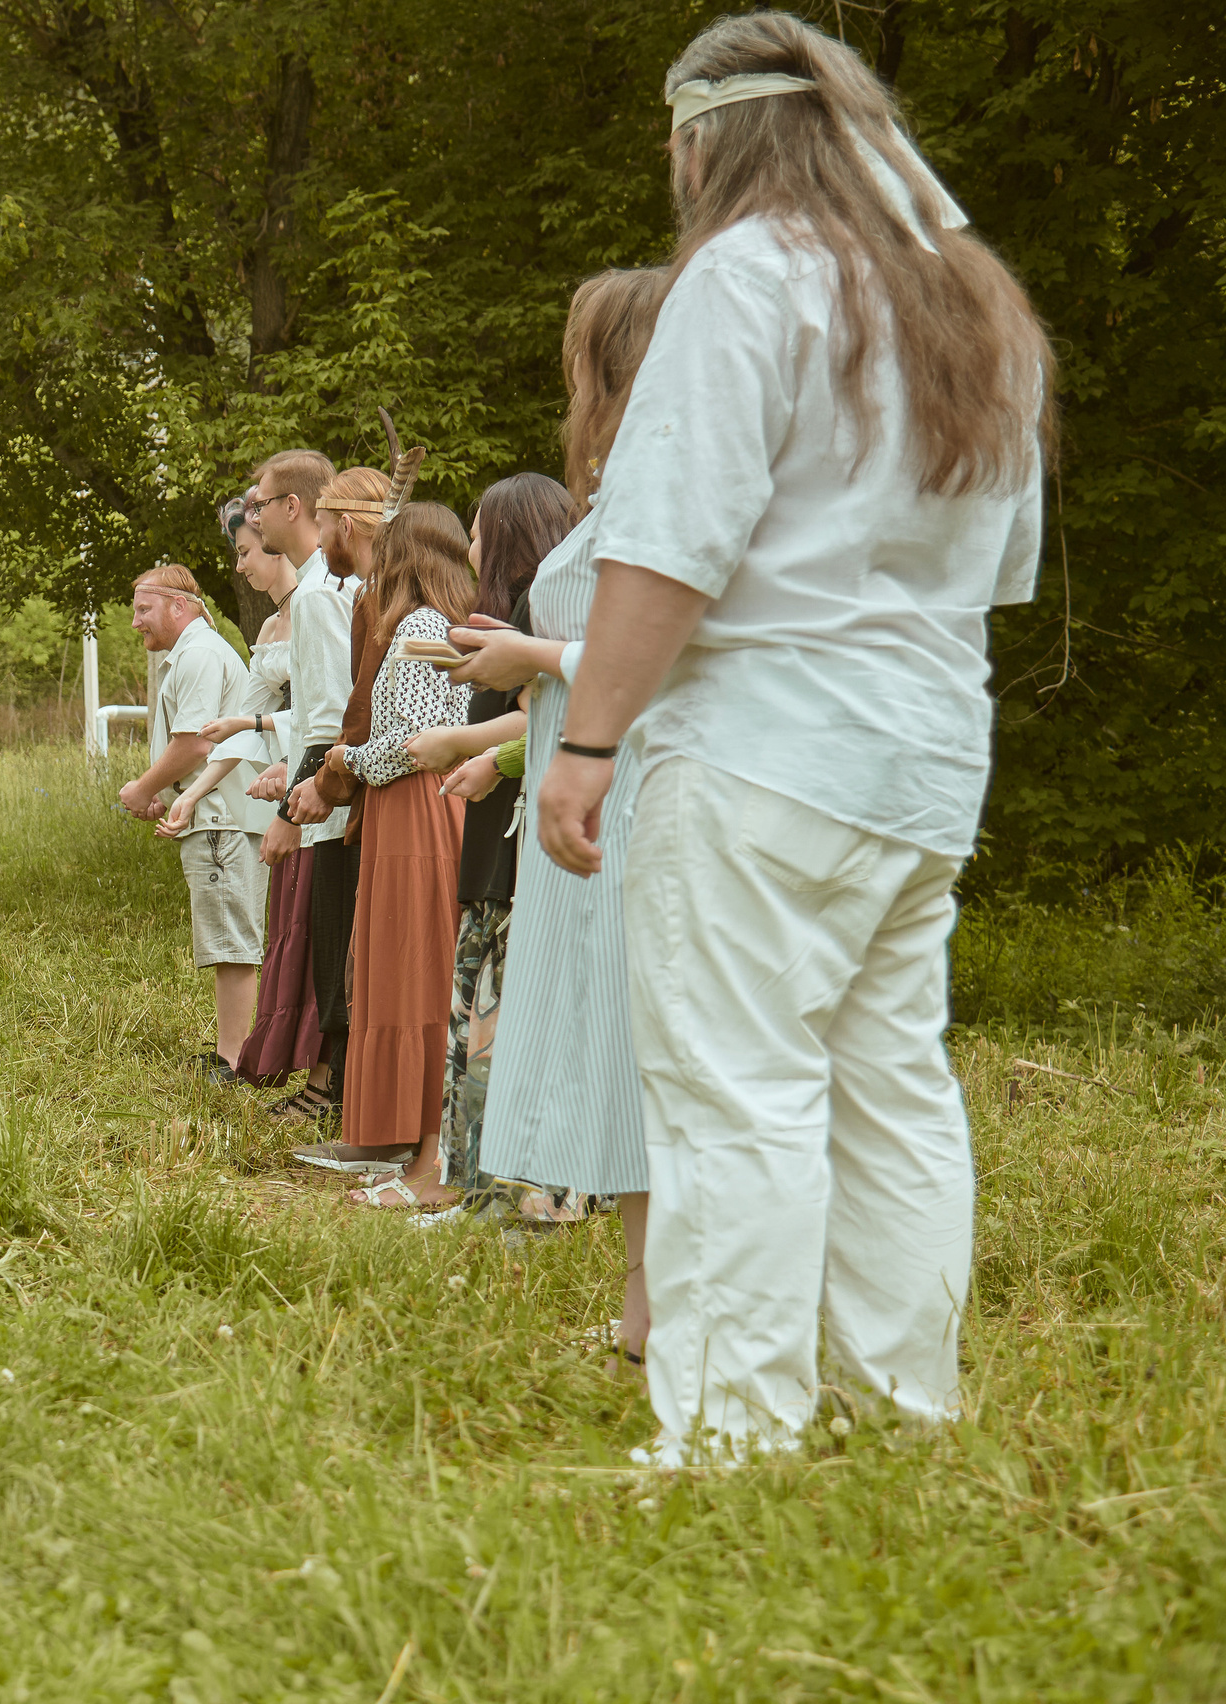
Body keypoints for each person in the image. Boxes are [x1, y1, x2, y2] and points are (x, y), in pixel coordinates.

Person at [535, 13, 1051, 1463]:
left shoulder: (747, 274)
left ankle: (729, 1437)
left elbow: (671, 538)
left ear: (708, 139)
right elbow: (995, 568)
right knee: (893, 1091)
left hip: (762, 749)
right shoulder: (972, 302)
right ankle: (902, 1414)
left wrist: (587, 745)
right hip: (923, 755)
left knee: (734, 1094)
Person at [446, 275, 667, 1361]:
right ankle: (645, 1311)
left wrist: (529, 655)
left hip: (639, 803)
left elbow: (672, 656)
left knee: (647, 1057)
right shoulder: (622, 479)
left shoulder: (669, 478)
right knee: (618, 1062)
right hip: (585, 802)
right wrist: (519, 701)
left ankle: (677, 1311)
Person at [400, 472, 572, 1198]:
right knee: (482, 1016)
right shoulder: (528, 611)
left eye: (476, 532)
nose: (469, 547)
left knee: (500, 1018)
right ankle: (478, 1185)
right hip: (500, 836)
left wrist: (463, 745)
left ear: (507, 536)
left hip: (518, 849)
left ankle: (506, 1188)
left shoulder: (540, 607)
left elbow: (544, 718)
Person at [313, 496, 473, 1208]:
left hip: (414, 813)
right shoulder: (446, 623)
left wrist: (347, 759)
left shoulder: (419, 626)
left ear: (403, 558)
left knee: (415, 964)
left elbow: (411, 745)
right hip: (420, 811)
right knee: (410, 961)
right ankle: (406, 1134)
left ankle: (424, 1148)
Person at [164, 497, 315, 1085]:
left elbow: (320, 712)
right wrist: (192, 793)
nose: (240, 565)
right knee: (286, 928)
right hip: (280, 786)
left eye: (246, 551)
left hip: (316, 781)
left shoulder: (318, 604)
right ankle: (261, 1054)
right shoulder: (271, 626)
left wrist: (263, 735)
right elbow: (242, 729)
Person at [247, 449, 356, 1136]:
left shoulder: (319, 594)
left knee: (334, 943)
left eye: (261, 503)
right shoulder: (330, 586)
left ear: (294, 506)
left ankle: (332, 1089)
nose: (254, 515)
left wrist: (296, 808)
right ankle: (330, 1083)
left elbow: (330, 712)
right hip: (333, 785)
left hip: (332, 803)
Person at [118, 564, 264, 1077]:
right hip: (214, 811)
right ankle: (230, 1052)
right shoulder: (194, 652)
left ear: (178, 606)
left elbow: (196, 743)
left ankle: (233, 1061)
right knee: (226, 939)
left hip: (223, 817)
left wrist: (144, 788)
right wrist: (167, 793)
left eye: (144, 609)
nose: (135, 622)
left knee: (232, 943)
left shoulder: (199, 653)